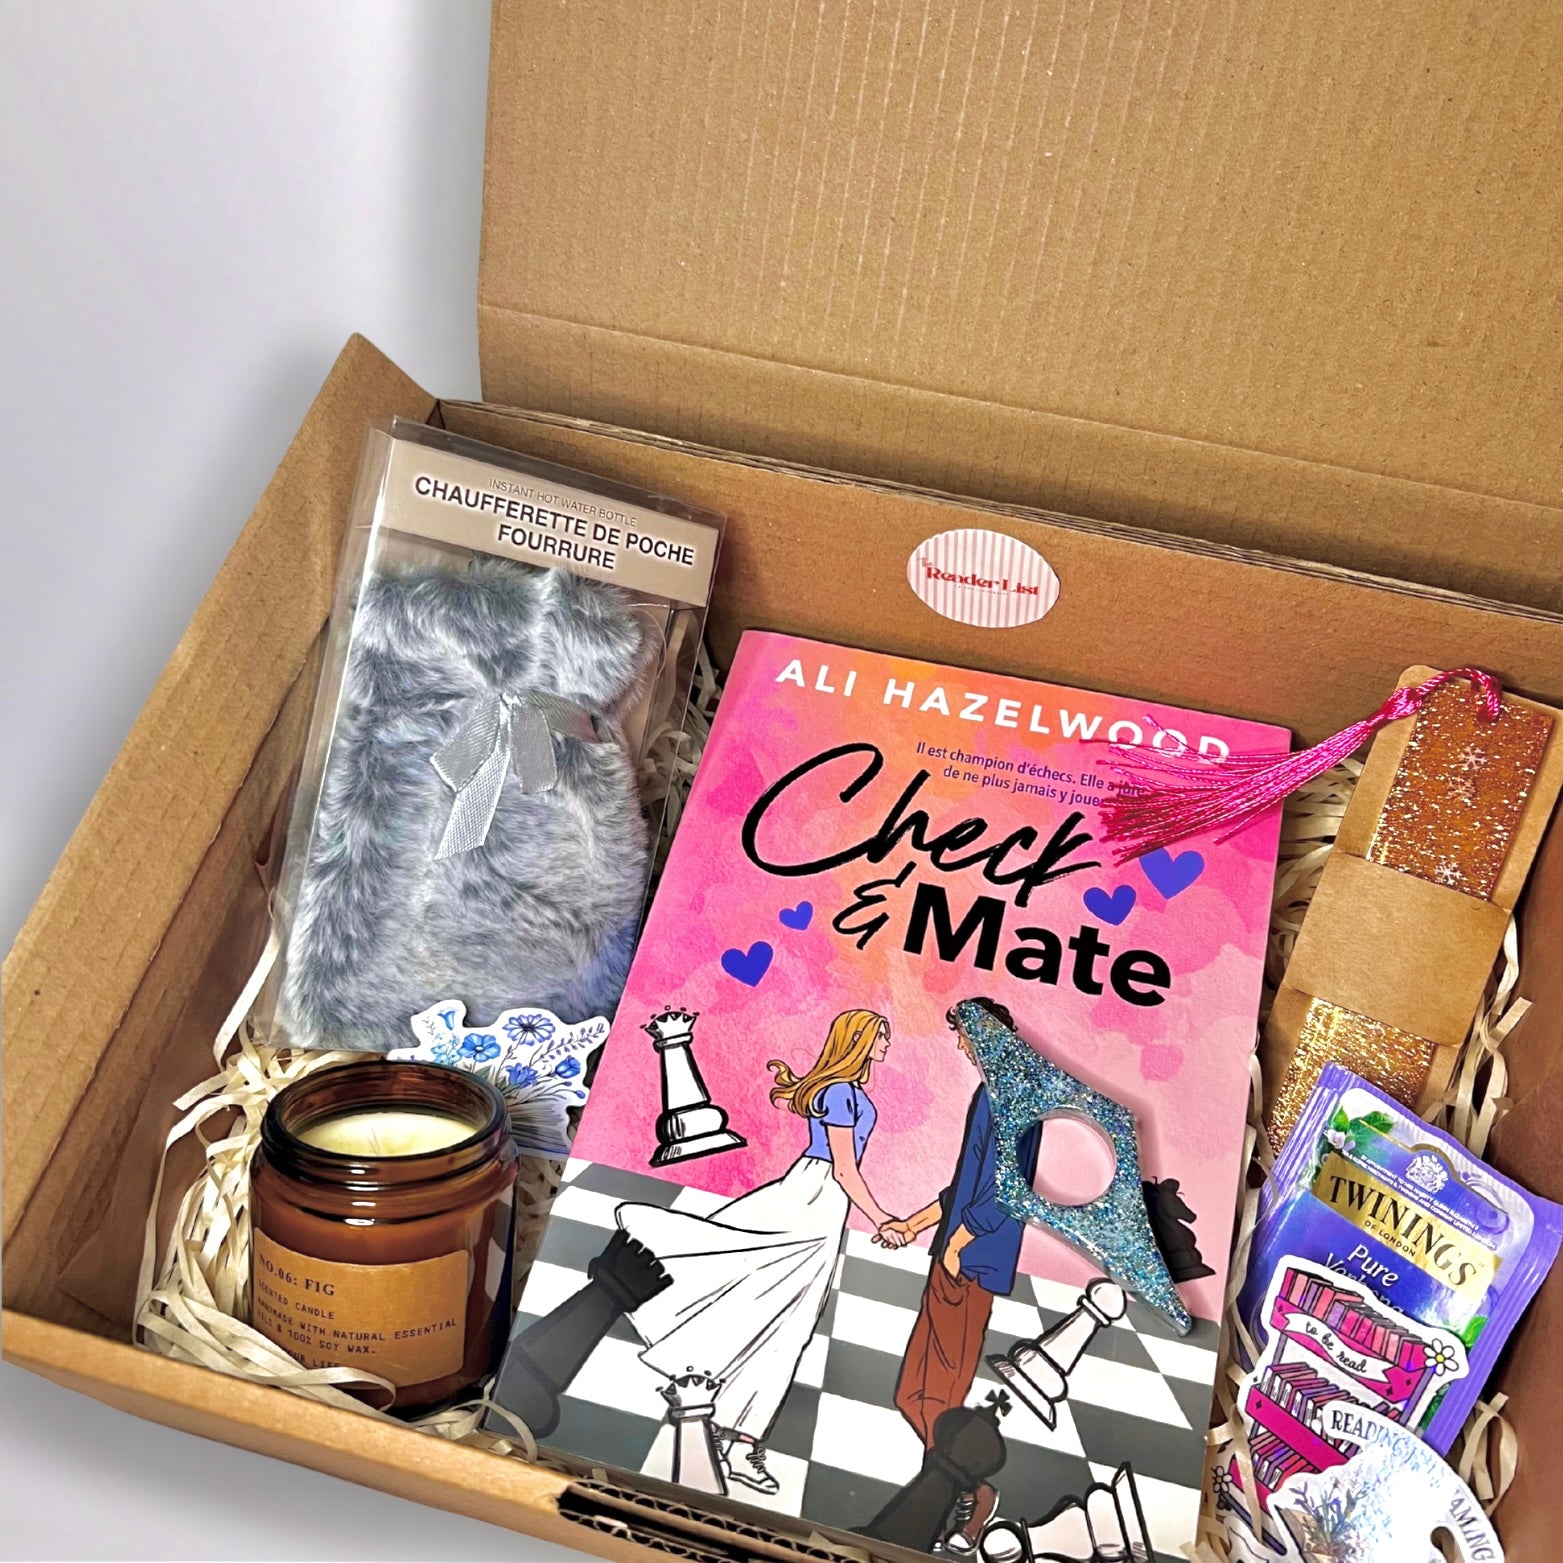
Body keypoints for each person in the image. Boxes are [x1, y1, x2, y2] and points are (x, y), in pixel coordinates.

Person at [616, 1009, 900, 1496]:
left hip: (819, 1196)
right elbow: (844, 1168)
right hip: (816, 1196)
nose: (886, 1046)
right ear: (858, 1041)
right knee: (784, 1319)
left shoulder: (847, 1091)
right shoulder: (840, 1093)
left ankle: (733, 1433)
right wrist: (882, 1219)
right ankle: (736, 1438)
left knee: (783, 1318)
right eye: (880, 1037)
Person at [878, 998, 1042, 1555]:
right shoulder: (990, 1092)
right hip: (952, 1253)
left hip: (971, 1262)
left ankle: (966, 1496)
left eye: (966, 1035)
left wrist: (960, 1243)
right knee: (912, 1395)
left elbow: (1007, 1191)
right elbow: (965, 1182)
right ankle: (959, 1490)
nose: (961, 1046)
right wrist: (916, 1224)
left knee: (940, 1399)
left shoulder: (1017, 1095)